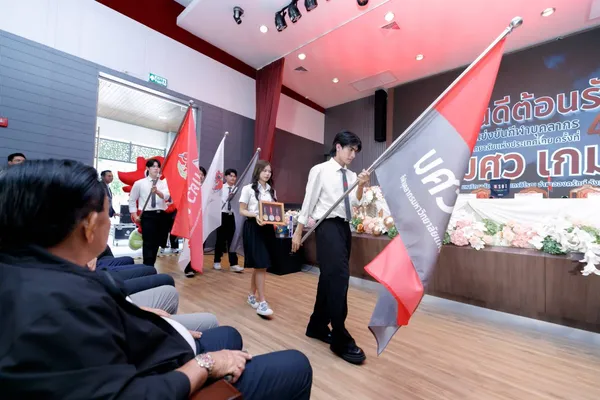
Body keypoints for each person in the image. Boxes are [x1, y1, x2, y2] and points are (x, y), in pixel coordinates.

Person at [0, 159, 313, 399]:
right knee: (296, 365)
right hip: (163, 377)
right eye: (108, 213)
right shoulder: (60, 310)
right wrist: (205, 364)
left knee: (228, 334)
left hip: (149, 350)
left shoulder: (27, 273)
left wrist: (143, 315)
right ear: (89, 226)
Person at [292, 130, 370, 365]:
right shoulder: (320, 170)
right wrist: (298, 231)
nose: (353, 155)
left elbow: (356, 203)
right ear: (338, 147)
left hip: (344, 228)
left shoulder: (351, 174)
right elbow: (308, 201)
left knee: (328, 278)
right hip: (327, 226)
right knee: (339, 278)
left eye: (355, 151)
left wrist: (360, 186)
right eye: (350, 149)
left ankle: (316, 326)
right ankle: (340, 337)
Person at [239, 160, 277, 317]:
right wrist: (256, 215)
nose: (267, 173)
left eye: (269, 171)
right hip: (253, 228)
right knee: (261, 264)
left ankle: (251, 296)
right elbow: (242, 210)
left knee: (260, 266)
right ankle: (262, 302)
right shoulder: (248, 189)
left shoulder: (272, 191)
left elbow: (274, 210)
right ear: (258, 171)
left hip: (267, 229)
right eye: (264, 171)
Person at [129, 159, 170, 267]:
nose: (156, 168)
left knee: (156, 242)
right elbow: (132, 200)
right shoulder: (139, 183)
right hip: (148, 215)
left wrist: (157, 192)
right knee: (148, 241)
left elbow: (166, 196)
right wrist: (134, 215)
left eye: (158, 166)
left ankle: (151, 264)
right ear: (147, 168)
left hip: (161, 215)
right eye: (153, 166)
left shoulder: (163, 183)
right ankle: (147, 266)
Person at [214, 168, 243, 272]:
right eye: (230, 176)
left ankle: (233, 263)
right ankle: (217, 261)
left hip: (233, 216)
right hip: (222, 215)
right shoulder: (220, 188)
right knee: (220, 239)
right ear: (225, 177)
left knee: (233, 240)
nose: (233, 178)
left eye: (234, 176)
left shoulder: (238, 190)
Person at [183, 166, 206, 278]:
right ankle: (188, 268)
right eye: (198, 174)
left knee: (201, 245)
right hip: (191, 221)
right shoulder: (189, 188)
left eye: (202, 174)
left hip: (203, 221)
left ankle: (195, 266)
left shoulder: (206, 189)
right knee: (190, 245)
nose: (200, 176)